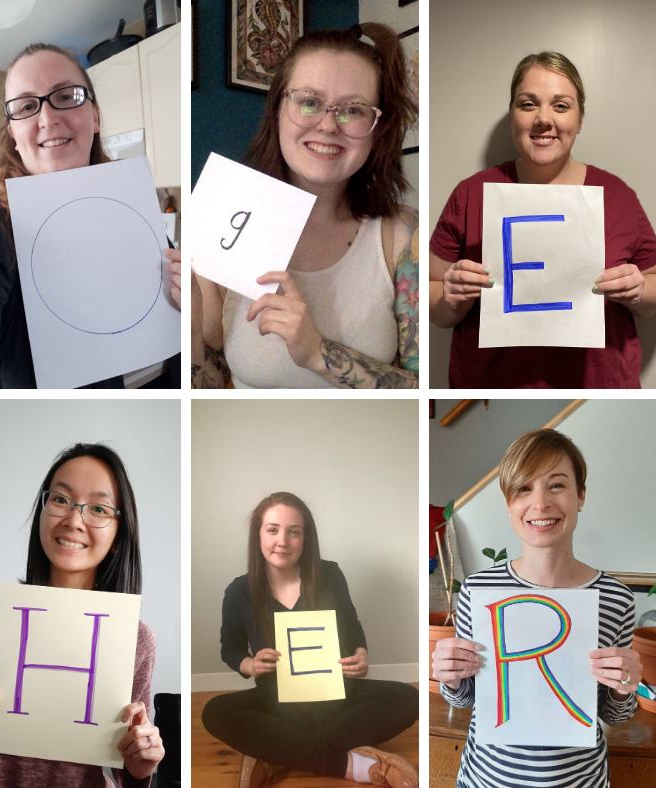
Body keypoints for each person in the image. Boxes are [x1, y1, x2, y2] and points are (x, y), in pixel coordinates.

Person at [191, 24, 419, 389]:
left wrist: (317, 353)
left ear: (377, 128)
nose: (329, 125)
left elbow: (425, 395)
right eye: (309, 102)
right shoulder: (226, 221)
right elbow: (212, 386)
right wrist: (187, 332)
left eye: (354, 110)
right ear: (279, 107)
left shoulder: (403, 235)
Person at [0, 43, 181, 389]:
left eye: (66, 95)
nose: (48, 118)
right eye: (26, 106)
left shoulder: (138, 212)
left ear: (95, 116)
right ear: (13, 132)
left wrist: (187, 309)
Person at [430, 51, 656, 388]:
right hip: (493, 386)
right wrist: (450, 297)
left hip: (599, 384)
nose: (543, 119)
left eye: (561, 106)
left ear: (579, 120)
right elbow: (434, 302)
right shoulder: (470, 195)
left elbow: (653, 284)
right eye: (528, 104)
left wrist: (639, 291)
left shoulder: (617, 195)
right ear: (513, 116)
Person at [431, 429, 641, 787]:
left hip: (580, 780)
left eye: (557, 485)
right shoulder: (479, 590)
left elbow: (612, 713)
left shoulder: (615, 597)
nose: (540, 503)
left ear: (581, 496)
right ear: (509, 504)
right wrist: (449, 675)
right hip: (488, 778)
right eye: (523, 489)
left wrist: (625, 686)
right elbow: (465, 699)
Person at [0, 443, 165, 786]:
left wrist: (142, 762)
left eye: (98, 508)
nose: (73, 520)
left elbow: (129, 759)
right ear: (42, 507)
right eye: (60, 499)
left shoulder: (135, 637)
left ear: (118, 532)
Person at [202, 492, 419, 788]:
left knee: (407, 698)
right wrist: (250, 665)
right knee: (215, 712)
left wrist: (361, 655)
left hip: (336, 696)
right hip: (276, 700)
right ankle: (353, 764)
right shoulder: (239, 592)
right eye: (273, 530)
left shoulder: (330, 575)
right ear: (258, 535)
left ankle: (276, 753)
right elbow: (230, 648)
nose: (283, 541)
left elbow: (353, 628)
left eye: (294, 532)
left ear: (306, 538)